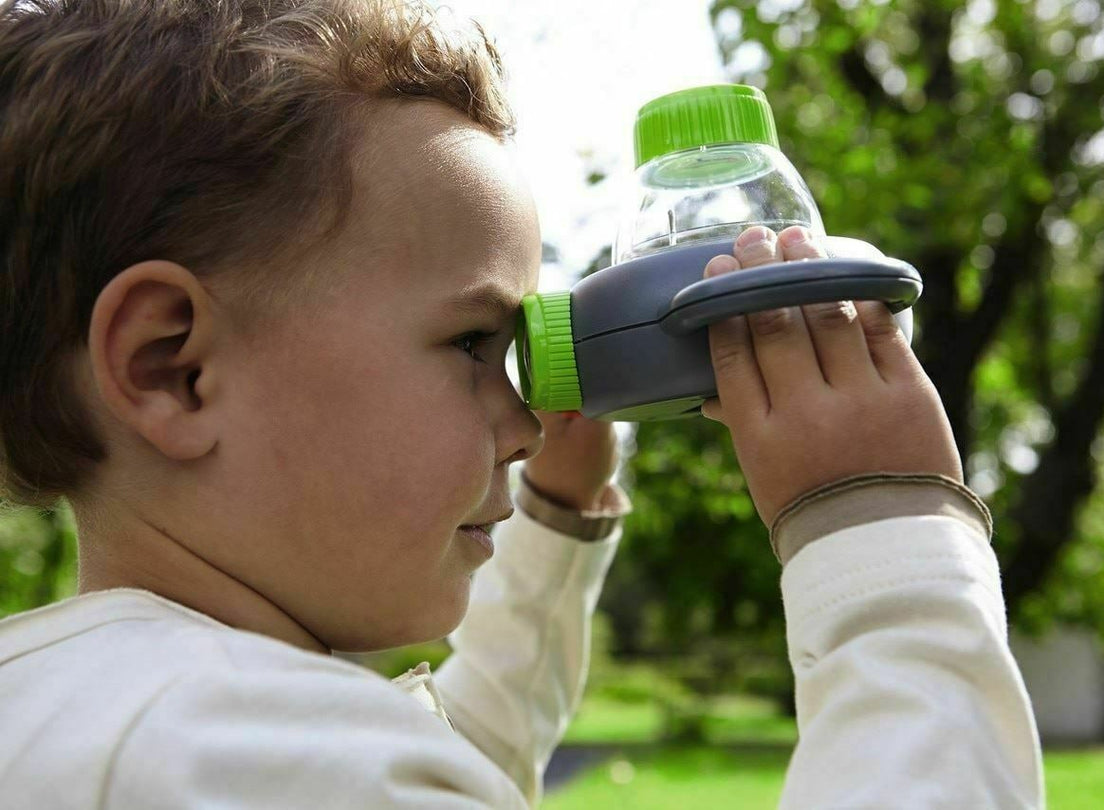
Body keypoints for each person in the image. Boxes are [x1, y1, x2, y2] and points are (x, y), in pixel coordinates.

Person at [0, 1, 1044, 807]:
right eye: (470, 343)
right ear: (170, 366)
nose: (521, 421)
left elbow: (451, 768)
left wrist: (551, 522)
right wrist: (885, 550)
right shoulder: (257, 755)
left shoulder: (109, 717)